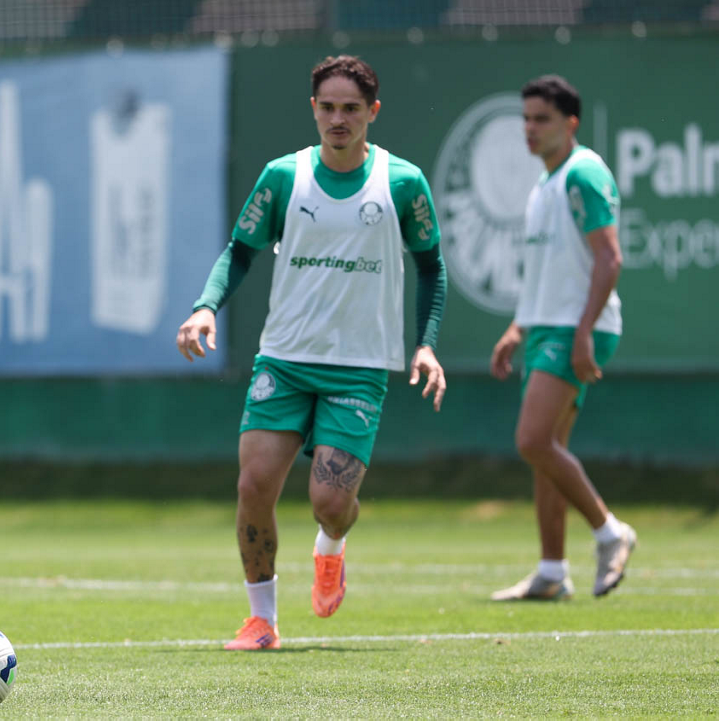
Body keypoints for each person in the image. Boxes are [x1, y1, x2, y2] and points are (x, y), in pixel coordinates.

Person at [176, 55, 448, 650]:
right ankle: (262, 620)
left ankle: (332, 546)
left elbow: (432, 268)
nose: (338, 119)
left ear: (372, 112)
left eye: (351, 108)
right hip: (284, 360)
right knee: (254, 486)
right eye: (327, 107)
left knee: (329, 502)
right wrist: (205, 306)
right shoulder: (282, 177)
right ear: (313, 109)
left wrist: (426, 345)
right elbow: (239, 250)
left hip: (359, 367)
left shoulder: (401, 183)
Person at [489, 75, 635, 601]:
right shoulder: (543, 186)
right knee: (547, 450)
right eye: (526, 118)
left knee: (531, 440)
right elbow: (545, 275)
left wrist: (582, 334)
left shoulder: (584, 172)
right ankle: (552, 572)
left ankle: (610, 532)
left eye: (542, 119)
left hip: (577, 330)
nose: (530, 128)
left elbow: (610, 257)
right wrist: (516, 327)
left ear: (570, 123)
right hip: (547, 327)